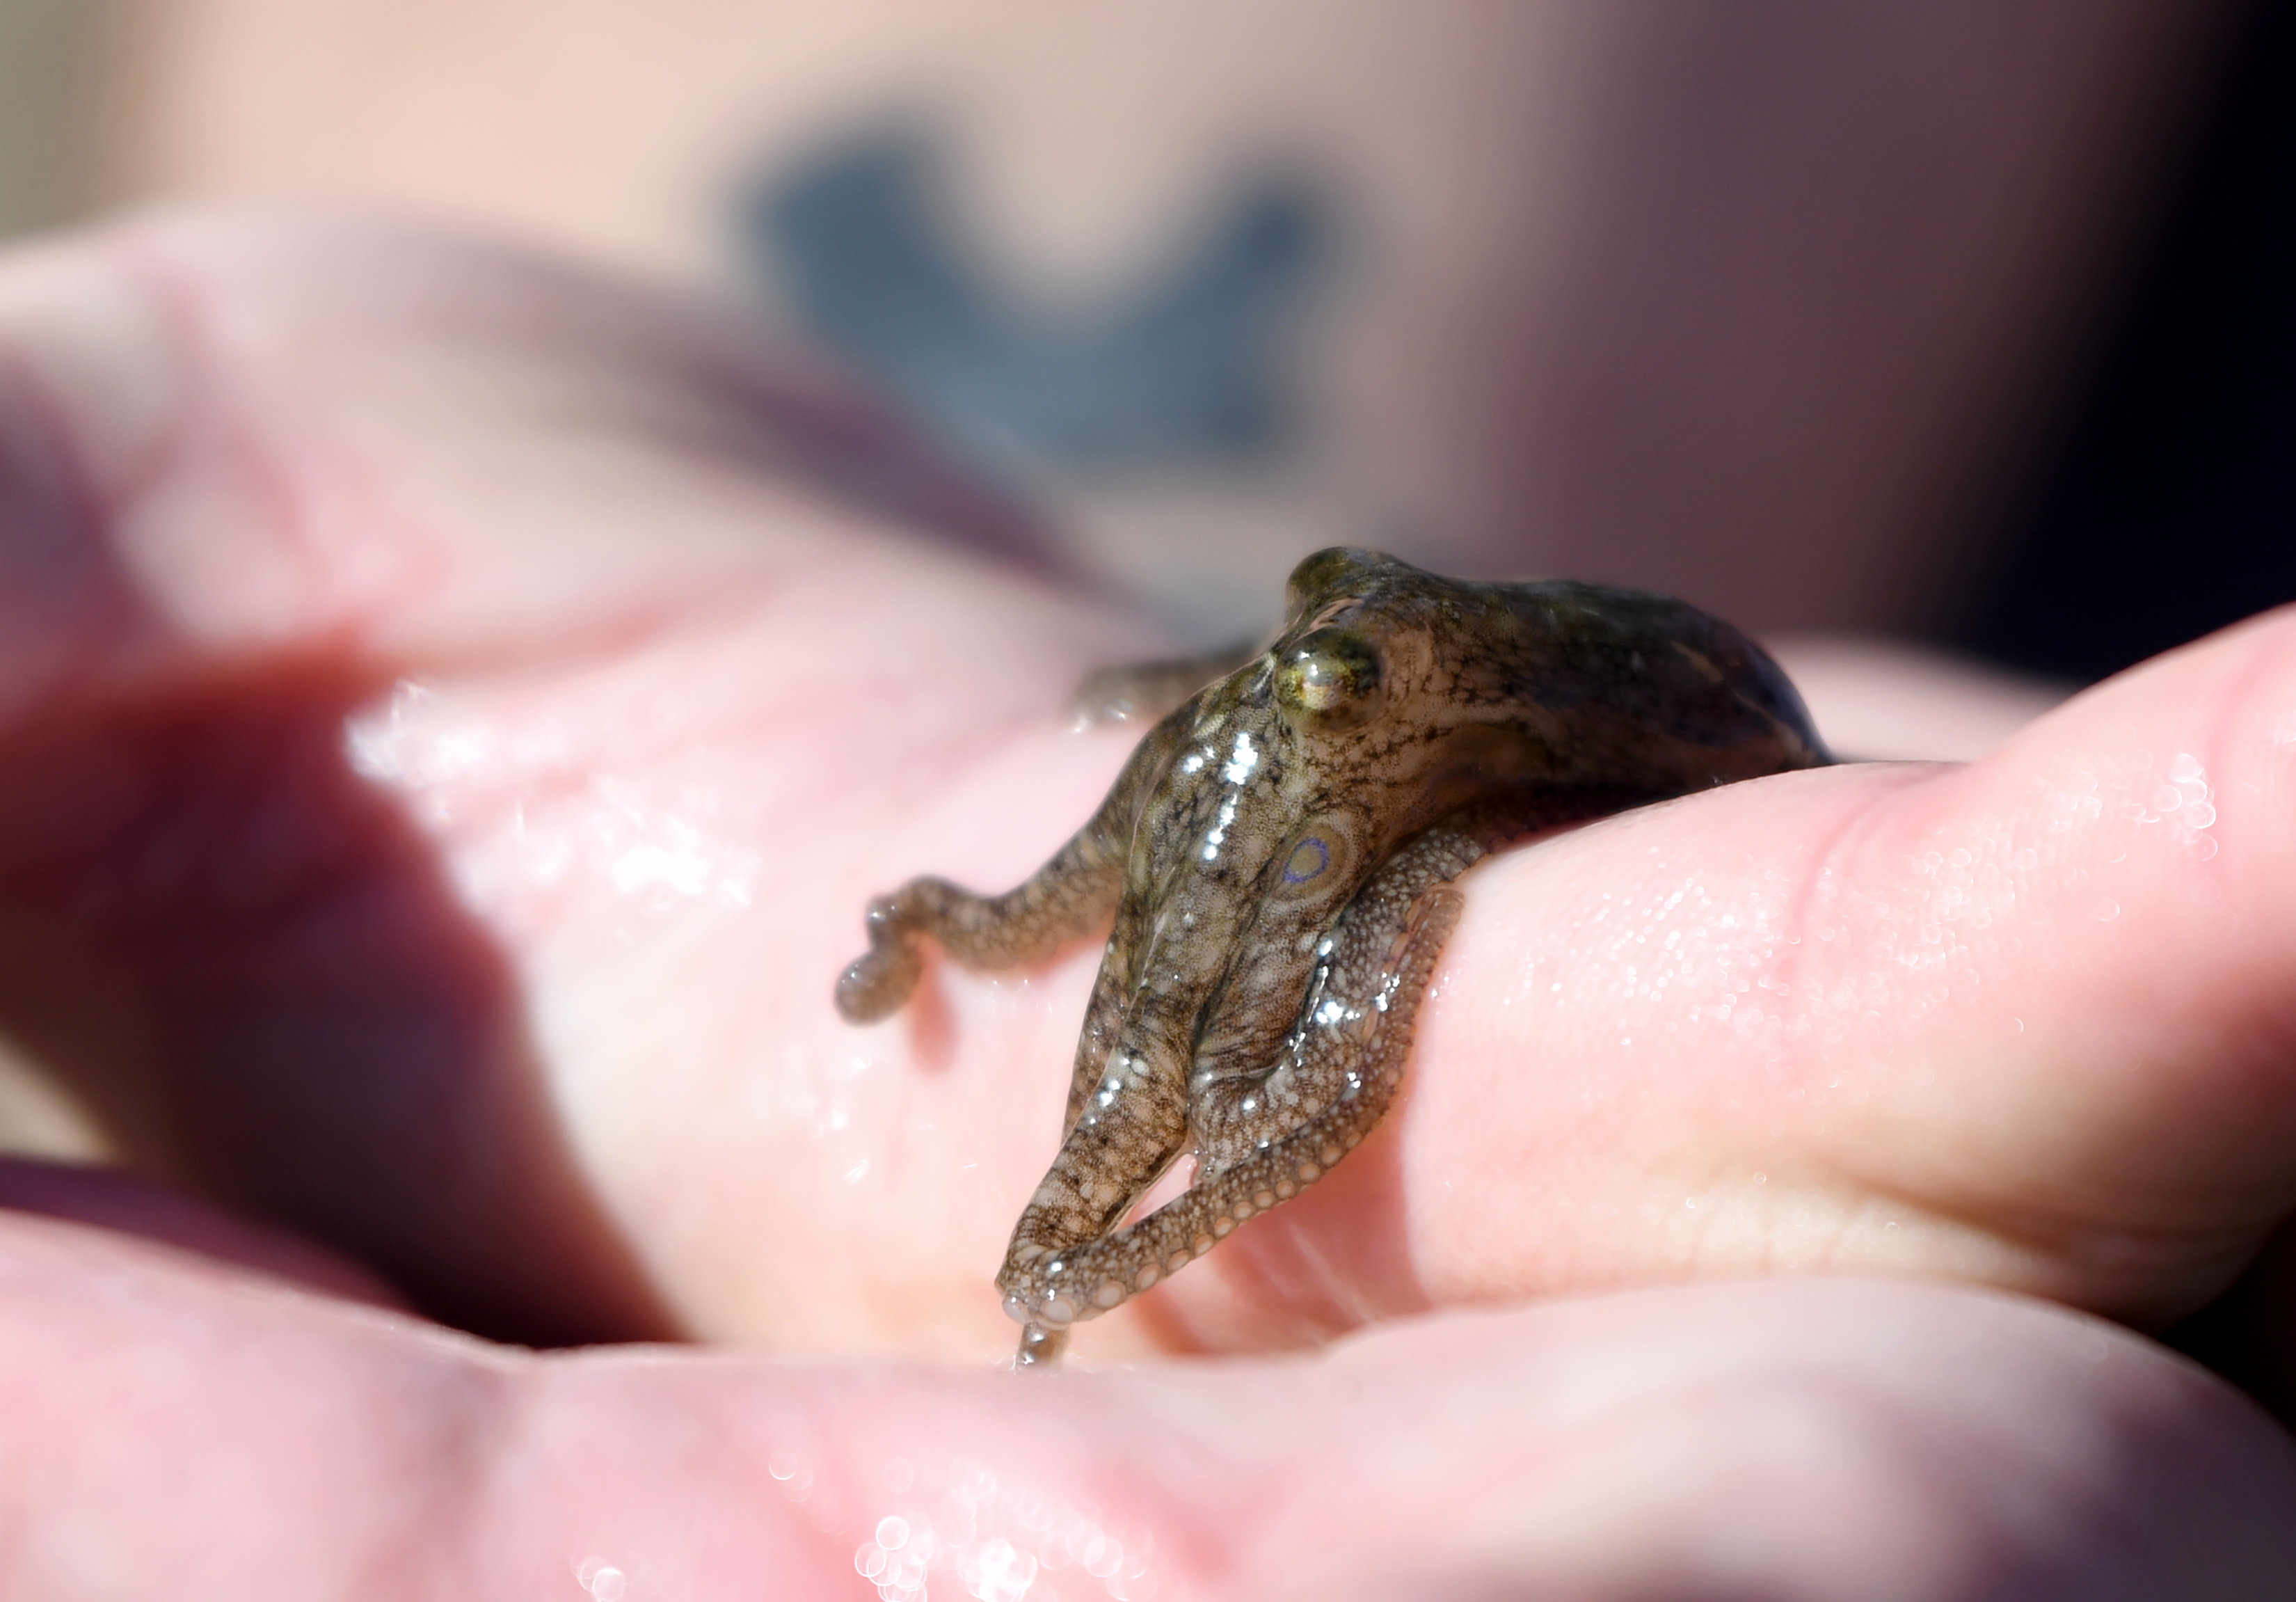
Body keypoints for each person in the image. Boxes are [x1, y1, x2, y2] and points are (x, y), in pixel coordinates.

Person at [0, 209, 2292, 1597]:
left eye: (1336, 685)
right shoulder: (1289, 718)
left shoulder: (1495, 714)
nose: (1275, 721)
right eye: (1306, 658)